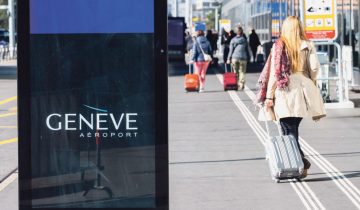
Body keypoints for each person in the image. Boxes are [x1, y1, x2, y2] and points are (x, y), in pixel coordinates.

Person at [258, 16, 326, 178]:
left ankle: (300, 164)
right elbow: (315, 68)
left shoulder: (279, 46)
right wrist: (309, 80)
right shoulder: (308, 45)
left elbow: (275, 74)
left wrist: (269, 96)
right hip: (304, 90)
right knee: (292, 129)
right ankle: (300, 162)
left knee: (288, 129)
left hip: (286, 90)